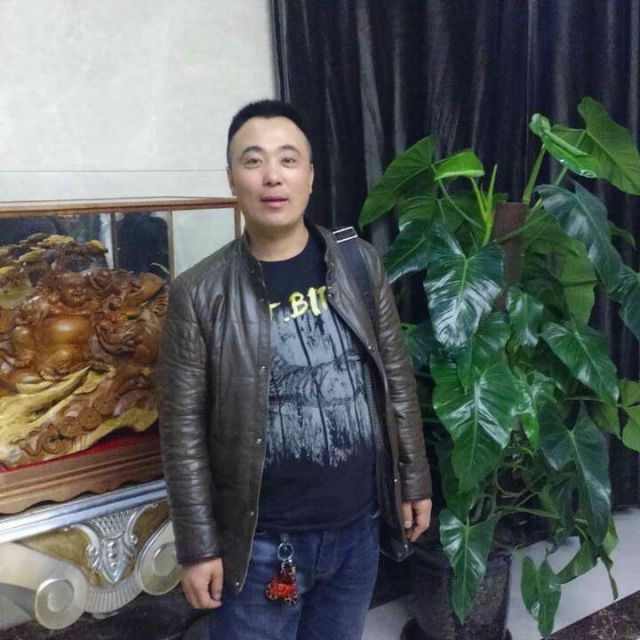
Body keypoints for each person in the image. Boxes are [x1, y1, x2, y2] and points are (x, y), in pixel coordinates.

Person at [156, 100, 432, 640]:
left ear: (310, 175)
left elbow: (395, 378)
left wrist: (414, 478)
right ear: (231, 178)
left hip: (357, 531)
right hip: (260, 546)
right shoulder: (200, 293)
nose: (272, 176)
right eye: (253, 161)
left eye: (288, 159)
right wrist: (197, 546)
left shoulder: (358, 264)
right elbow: (182, 430)